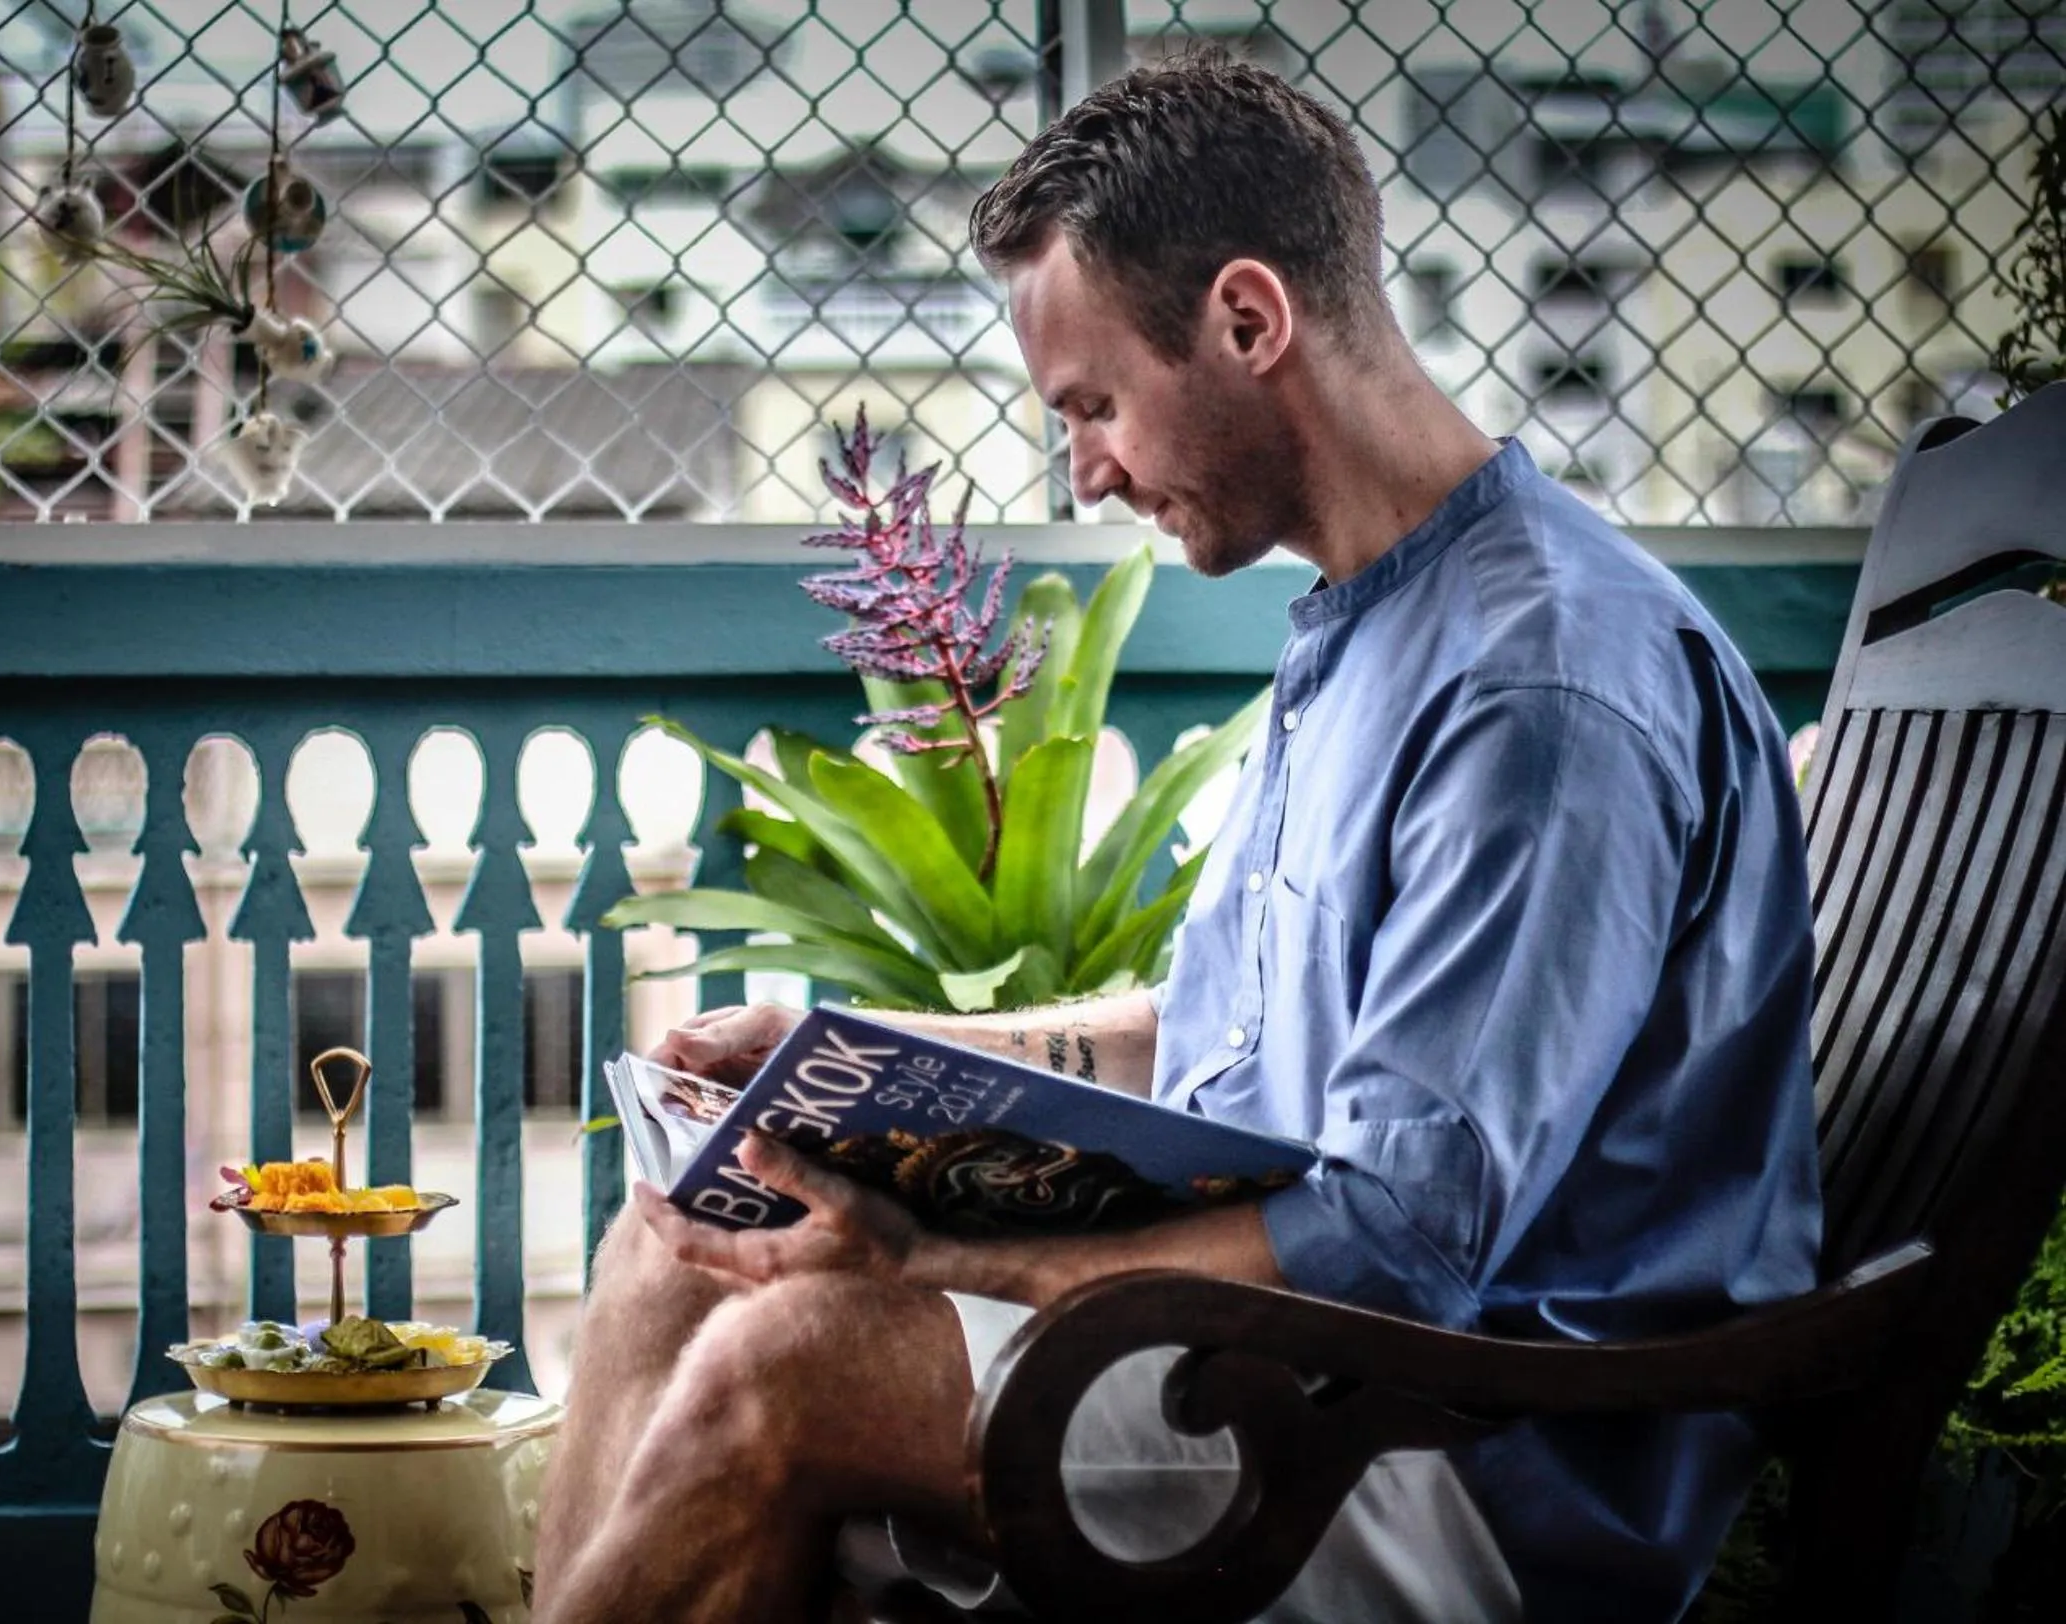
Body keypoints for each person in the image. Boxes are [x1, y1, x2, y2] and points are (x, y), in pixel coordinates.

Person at [531, 47, 1821, 1624]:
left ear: (1249, 321)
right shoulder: (1366, 622)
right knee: (682, 1244)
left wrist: (934, 1264)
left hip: (1472, 1453)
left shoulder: (1540, 689)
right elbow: (1210, 1022)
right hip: (1298, 1370)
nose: (1082, 466)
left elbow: (1397, 1242)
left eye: (1094, 404)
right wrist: (846, 1052)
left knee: (783, 1361)